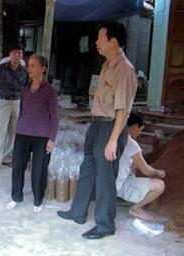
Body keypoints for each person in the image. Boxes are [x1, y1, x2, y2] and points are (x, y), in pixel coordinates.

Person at [57, 22, 138, 239]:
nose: (96, 42)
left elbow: (123, 110)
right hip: (97, 124)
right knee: (88, 170)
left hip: (111, 127)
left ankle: (105, 225)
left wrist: (112, 141)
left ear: (114, 41)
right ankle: (78, 212)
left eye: (101, 38)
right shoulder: (106, 66)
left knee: (105, 179)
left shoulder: (125, 70)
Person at [5, 54, 58, 212]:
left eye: (33, 65)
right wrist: (16, 133)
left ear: (43, 69)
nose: (29, 68)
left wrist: (52, 138)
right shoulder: (25, 89)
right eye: (29, 65)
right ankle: (16, 197)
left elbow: (55, 116)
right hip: (23, 132)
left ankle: (38, 200)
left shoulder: (49, 91)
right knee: (18, 167)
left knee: (39, 169)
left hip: (42, 135)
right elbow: (21, 112)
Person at [116, 111, 165, 221]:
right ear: (134, 127)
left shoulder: (115, 137)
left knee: (133, 167)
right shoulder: (131, 143)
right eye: (140, 130)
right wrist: (158, 172)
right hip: (119, 185)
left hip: (107, 183)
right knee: (160, 185)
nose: (139, 133)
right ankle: (136, 208)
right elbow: (146, 171)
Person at [0, 43, 29, 175]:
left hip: (17, 102)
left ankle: (8, 157)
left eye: (19, 53)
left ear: (22, 55)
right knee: (0, 132)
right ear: (9, 54)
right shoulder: (0, 69)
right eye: (14, 52)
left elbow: (26, 87)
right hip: (3, 102)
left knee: (14, 132)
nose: (17, 55)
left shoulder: (24, 71)